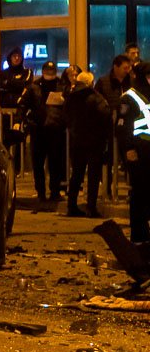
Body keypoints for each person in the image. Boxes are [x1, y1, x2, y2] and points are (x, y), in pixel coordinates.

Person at [20, 61, 67, 205]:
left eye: (52, 71)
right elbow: (23, 104)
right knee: (38, 163)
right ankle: (41, 192)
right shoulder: (34, 87)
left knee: (55, 162)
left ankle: (54, 191)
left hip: (55, 129)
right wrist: (24, 120)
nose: (50, 73)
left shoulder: (61, 85)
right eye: (48, 70)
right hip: (39, 129)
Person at [64, 71, 109, 218]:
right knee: (93, 175)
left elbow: (67, 116)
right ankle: (91, 207)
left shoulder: (71, 97)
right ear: (90, 82)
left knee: (76, 174)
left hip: (77, 139)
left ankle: (71, 206)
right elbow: (104, 116)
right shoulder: (96, 97)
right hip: (94, 140)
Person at [116, 62, 150, 241]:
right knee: (139, 192)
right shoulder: (129, 97)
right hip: (138, 151)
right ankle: (139, 234)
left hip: (148, 150)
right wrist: (128, 149)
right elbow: (122, 127)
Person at [97, 54, 133, 197]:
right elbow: (97, 101)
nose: (127, 70)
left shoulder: (131, 82)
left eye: (129, 67)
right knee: (108, 160)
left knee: (129, 160)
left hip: (127, 127)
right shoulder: (104, 82)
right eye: (125, 68)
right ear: (116, 67)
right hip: (108, 127)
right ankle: (107, 189)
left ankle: (131, 191)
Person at [0, 48, 33, 172]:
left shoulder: (27, 72)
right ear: (10, 58)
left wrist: (9, 84)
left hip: (20, 112)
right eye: (14, 56)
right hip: (5, 112)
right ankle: (3, 167)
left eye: (19, 56)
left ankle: (18, 169)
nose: (16, 58)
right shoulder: (2, 73)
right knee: (3, 140)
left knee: (19, 141)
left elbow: (26, 85)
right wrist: (16, 84)